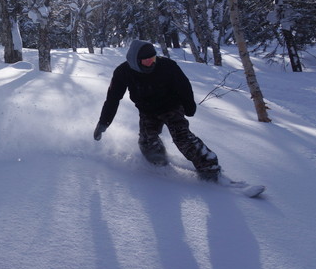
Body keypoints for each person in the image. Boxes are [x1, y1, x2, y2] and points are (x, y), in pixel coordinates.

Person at [93, 40, 222, 182]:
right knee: (147, 141)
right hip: (147, 111)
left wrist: (189, 106)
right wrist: (103, 122)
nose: (151, 63)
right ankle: (158, 162)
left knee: (182, 137)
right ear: (135, 61)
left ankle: (209, 168)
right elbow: (113, 99)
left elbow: (184, 86)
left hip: (171, 106)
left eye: (153, 59)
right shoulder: (123, 72)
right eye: (146, 61)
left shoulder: (167, 66)